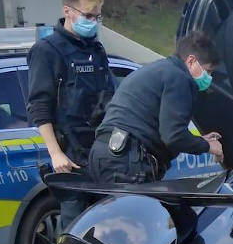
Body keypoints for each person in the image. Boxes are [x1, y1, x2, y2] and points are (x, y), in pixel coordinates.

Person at [26, 0, 116, 229]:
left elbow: (111, 97)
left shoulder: (96, 50)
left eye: (97, 16)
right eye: (89, 15)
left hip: (102, 155)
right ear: (68, 11)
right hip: (72, 159)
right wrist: (56, 154)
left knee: (107, 231)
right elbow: (39, 105)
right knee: (76, 232)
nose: (94, 21)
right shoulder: (47, 51)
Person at [87, 31, 223, 184]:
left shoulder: (159, 70)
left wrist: (197, 140)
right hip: (126, 161)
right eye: (208, 71)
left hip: (104, 154)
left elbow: (158, 125)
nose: (209, 78)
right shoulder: (179, 78)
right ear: (191, 61)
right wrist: (207, 146)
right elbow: (173, 137)